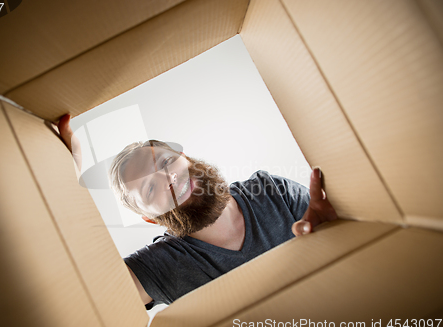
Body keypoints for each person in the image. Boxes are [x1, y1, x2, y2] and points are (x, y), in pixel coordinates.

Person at [56, 114, 337, 309]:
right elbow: (92, 296)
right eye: (150, 189)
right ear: (151, 218)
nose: (168, 178)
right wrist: (61, 182)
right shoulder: (162, 265)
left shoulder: (270, 190)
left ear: (185, 158)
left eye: (166, 162)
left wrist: (339, 228)